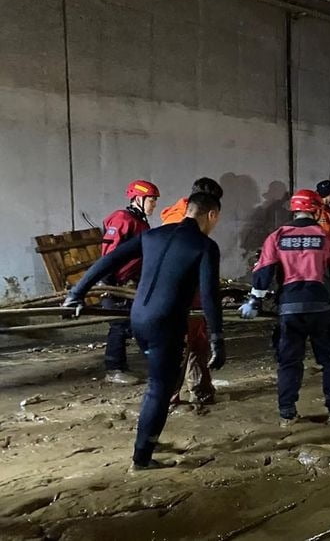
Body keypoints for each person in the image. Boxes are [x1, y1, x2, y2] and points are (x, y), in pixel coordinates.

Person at [63, 193, 225, 470]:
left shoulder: (153, 235)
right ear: (211, 215)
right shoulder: (205, 246)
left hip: (138, 318)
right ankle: (142, 458)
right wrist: (217, 338)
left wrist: (77, 293)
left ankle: (149, 437)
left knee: (164, 380)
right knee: (159, 389)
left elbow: (108, 261)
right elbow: (210, 295)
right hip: (166, 323)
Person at [239, 189, 330, 426]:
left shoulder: (277, 237)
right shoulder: (326, 237)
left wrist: (254, 302)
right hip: (321, 306)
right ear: (316, 209)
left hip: (289, 308)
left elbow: (263, 272)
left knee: (289, 362)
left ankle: (287, 414)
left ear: (294, 209)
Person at [161, 177, 224, 406]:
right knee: (191, 341)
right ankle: (178, 395)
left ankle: (199, 390)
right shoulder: (186, 223)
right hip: (185, 294)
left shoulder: (175, 215)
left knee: (194, 341)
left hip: (173, 292)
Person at [99, 179, 160, 385]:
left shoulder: (140, 222)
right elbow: (110, 251)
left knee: (136, 322)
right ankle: (114, 369)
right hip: (118, 282)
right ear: (138, 199)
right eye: (152, 200)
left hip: (133, 282)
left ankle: (151, 361)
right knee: (119, 324)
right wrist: (109, 282)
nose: (154, 205)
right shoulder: (123, 219)